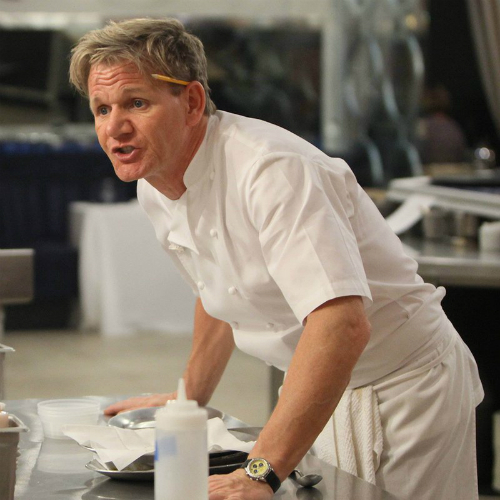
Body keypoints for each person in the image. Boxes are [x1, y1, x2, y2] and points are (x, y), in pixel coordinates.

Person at [69, 18, 483, 500]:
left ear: (193, 102)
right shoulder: (156, 185)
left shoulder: (273, 170)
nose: (114, 127)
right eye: (102, 109)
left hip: (403, 390)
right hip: (320, 385)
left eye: (137, 103)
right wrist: (187, 401)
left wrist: (261, 471)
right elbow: (218, 289)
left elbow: (341, 325)